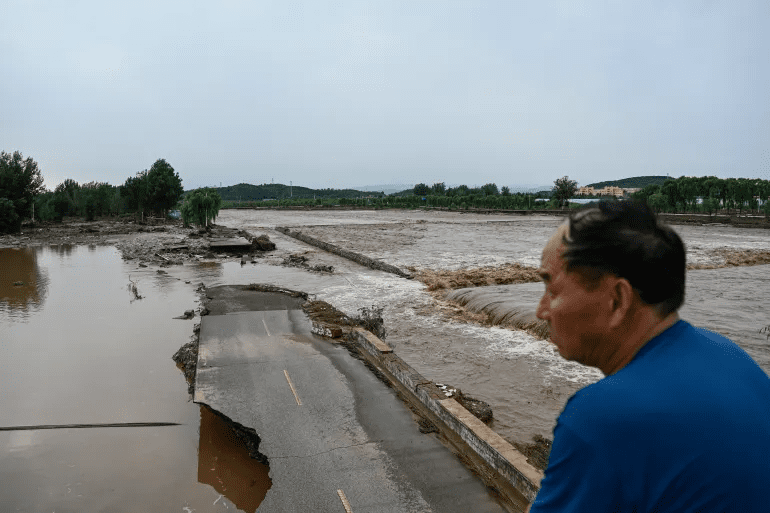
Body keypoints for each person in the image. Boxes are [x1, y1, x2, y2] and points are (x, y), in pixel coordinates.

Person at [527, 200, 770, 512]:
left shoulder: (601, 418)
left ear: (618, 300)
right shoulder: (730, 355)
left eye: (552, 290)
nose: (541, 311)